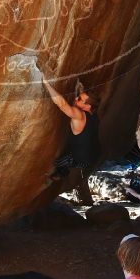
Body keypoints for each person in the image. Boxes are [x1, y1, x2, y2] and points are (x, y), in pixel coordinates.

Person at [41, 76, 100, 205]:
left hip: (78, 160)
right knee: (70, 147)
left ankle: (62, 171)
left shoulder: (79, 116)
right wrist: (80, 90)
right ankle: (64, 170)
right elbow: (80, 104)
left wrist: (46, 83)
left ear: (87, 106)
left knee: (59, 161)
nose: (76, 99)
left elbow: (62, 104)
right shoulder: (93, 114)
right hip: (91, 158)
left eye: (79, 99)